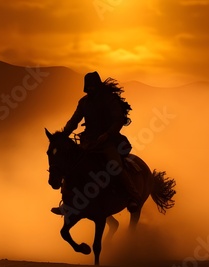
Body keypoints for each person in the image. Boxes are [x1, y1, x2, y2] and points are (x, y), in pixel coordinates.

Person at [51, 71, 141, 214]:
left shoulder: (109, 100)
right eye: (88, 87)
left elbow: (118, 120)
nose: (90, 90)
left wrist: (107, 134)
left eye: (92, 87)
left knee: (116, 166)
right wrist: (63, 135)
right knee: (70, 166)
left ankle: (133, 197)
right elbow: (74, 121)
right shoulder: (84, 102)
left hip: (108, 143)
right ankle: (67, 203)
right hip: (88, 142)